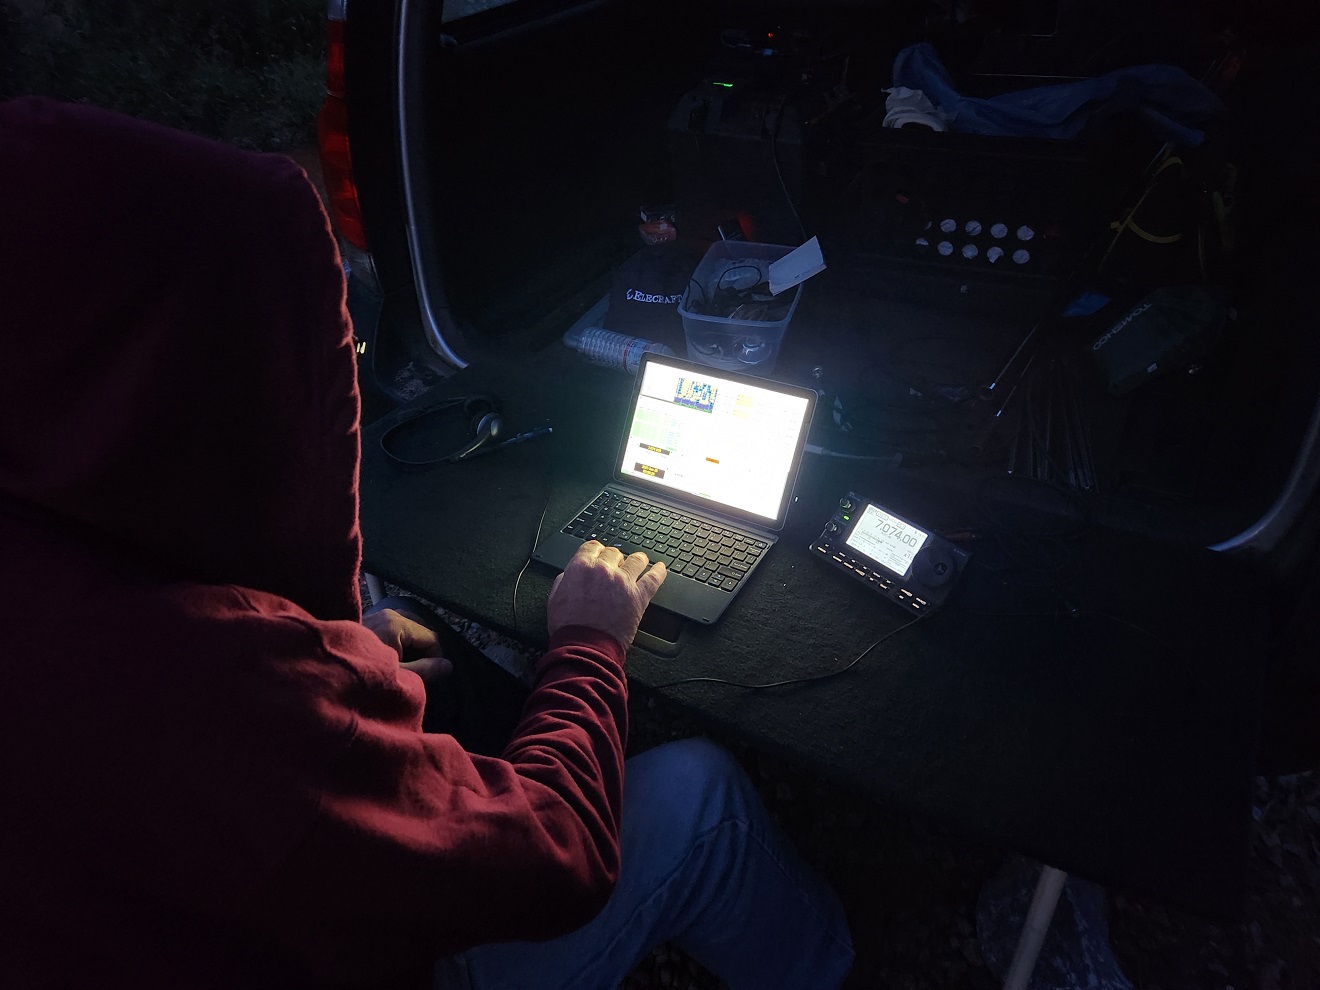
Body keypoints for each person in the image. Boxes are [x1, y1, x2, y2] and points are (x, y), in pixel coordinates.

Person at [0, 96, 853, 988]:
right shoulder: (226, 708)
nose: (346, 364)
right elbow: (553, 855)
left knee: (420, 639)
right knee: (705, 794)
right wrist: (590, 648)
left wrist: (334, 661)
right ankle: (830, 966)